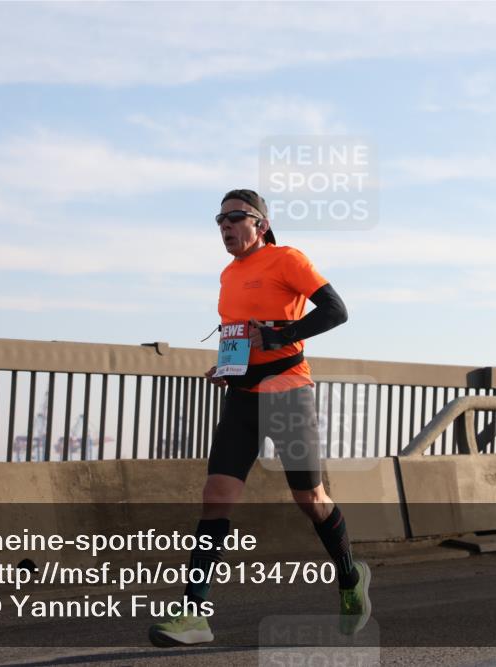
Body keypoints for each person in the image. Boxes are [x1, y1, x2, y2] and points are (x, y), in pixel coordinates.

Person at [148, 189, 371, 647]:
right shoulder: (228, 275)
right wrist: (228, 365)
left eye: (236, 217)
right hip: (243, 395)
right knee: (216, 496)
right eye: (219, 219)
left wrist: (283, 333)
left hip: (288, 392)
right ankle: (194, 616)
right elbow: (242, 336)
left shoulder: (286, 258)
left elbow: (336, 310)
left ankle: (350, 580)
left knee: (310, 497)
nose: (226, 226)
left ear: (261, 224)